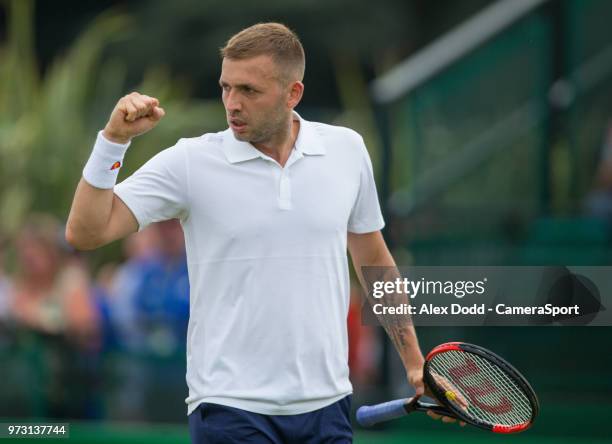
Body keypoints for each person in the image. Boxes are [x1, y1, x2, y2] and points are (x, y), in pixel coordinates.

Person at [66, 23, 454, 443]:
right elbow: (86, 232)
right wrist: (113, 141)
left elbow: (374, 261)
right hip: (230, 408)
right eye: (226, 87)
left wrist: (414, 363)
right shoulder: (190, 161)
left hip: (327, 406)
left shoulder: (347, 150)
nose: (232, 103)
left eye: (249, 91)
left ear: (293, 94)